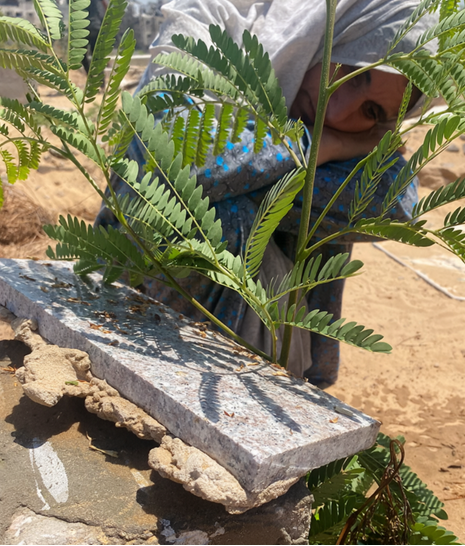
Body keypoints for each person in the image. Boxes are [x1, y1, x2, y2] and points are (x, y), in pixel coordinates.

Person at [96, 0, 437, 386]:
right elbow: (181, 158)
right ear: (328, 37)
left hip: (276, 370)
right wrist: (319, 147)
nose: (338, 113)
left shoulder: (343, 126)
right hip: (132, 317)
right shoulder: (209, 26)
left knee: (215, 203)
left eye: (372, 112)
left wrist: (250, 173)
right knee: (207, 222)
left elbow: (396, 204)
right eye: (351, 73)